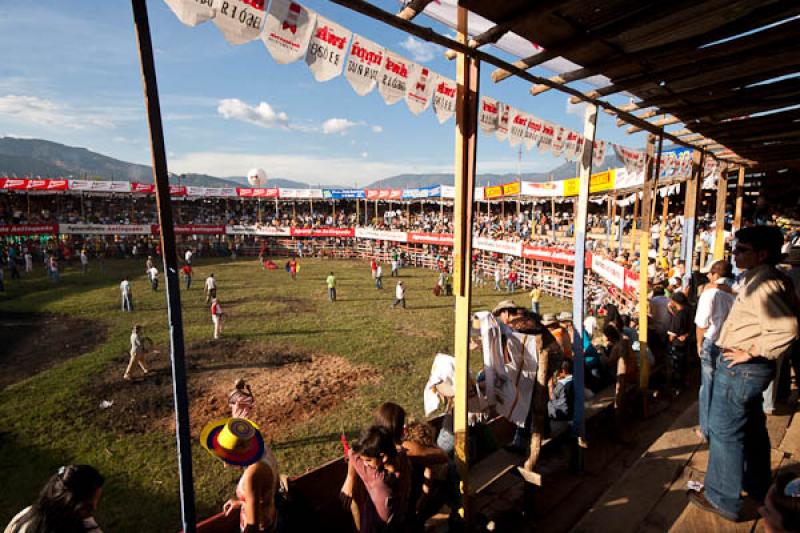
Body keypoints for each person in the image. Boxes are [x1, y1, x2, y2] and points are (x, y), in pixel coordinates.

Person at [690, 226, 799, 522]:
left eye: (741, 250)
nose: (734, 255)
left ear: (761, 254)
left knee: (725, 432)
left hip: (742, 368)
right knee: (750, 428)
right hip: (747, 369)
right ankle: (756, 485)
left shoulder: (763, 283)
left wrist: (751, 351)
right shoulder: (770, 278)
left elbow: (788, 328)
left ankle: (722, 498)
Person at [201, 418, 280, 533]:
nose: (225, 465)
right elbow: (267, 492)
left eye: (227, 457)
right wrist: (242, 503)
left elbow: (253, 526)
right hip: (272, 518)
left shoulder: (252, 475)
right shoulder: (263, 452)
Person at [340, 425, 411, 533]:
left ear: (383, 456)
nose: (364, 463)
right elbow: (352, 453)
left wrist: (350, 478)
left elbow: (352, 453)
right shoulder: (401, 456)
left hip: (388, 518)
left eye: (368, 460)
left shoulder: (372, 474)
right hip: (379, 519)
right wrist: (350, 479)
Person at [694, 260, 735, 441]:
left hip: (712, 342)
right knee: (724, 386)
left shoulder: (710, 293)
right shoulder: (737, 292)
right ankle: (720, 426)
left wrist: (699, 344)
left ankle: (706, 430)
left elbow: (701, 324)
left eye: (710, 274)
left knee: (707, 386)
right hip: (731, 344)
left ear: (716, 274)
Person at [5, 464, 104, 533]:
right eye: (86, 507)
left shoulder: (25, 516)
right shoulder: (86, 529)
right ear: (68, 504)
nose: (94, 508)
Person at [666, 292, 691, 393]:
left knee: (677, 366)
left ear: (675, 302)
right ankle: (684, 383)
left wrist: (669, 341)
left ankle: (677, 387)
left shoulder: (678, 316)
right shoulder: (687, 311)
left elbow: (672, 336)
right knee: (684, 365)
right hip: (685, 343)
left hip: (677, 345)